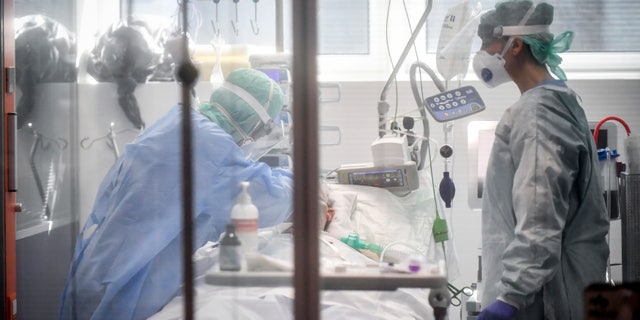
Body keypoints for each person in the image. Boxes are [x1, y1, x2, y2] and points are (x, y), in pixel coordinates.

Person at [59, 68, 294, 320]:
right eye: (261, 131)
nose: (256, 139)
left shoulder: (179, 123)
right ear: (253, 122)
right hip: (129, 289)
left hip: (97, 269)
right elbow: (268, 198)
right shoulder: (213, 152)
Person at [473, 1, 609, 319]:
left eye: (485, 43)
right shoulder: (559, 100)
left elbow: (540, 215)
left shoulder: (537, 113)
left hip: (542, 300)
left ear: (515, 44)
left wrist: (510, 297)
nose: (479, 54)